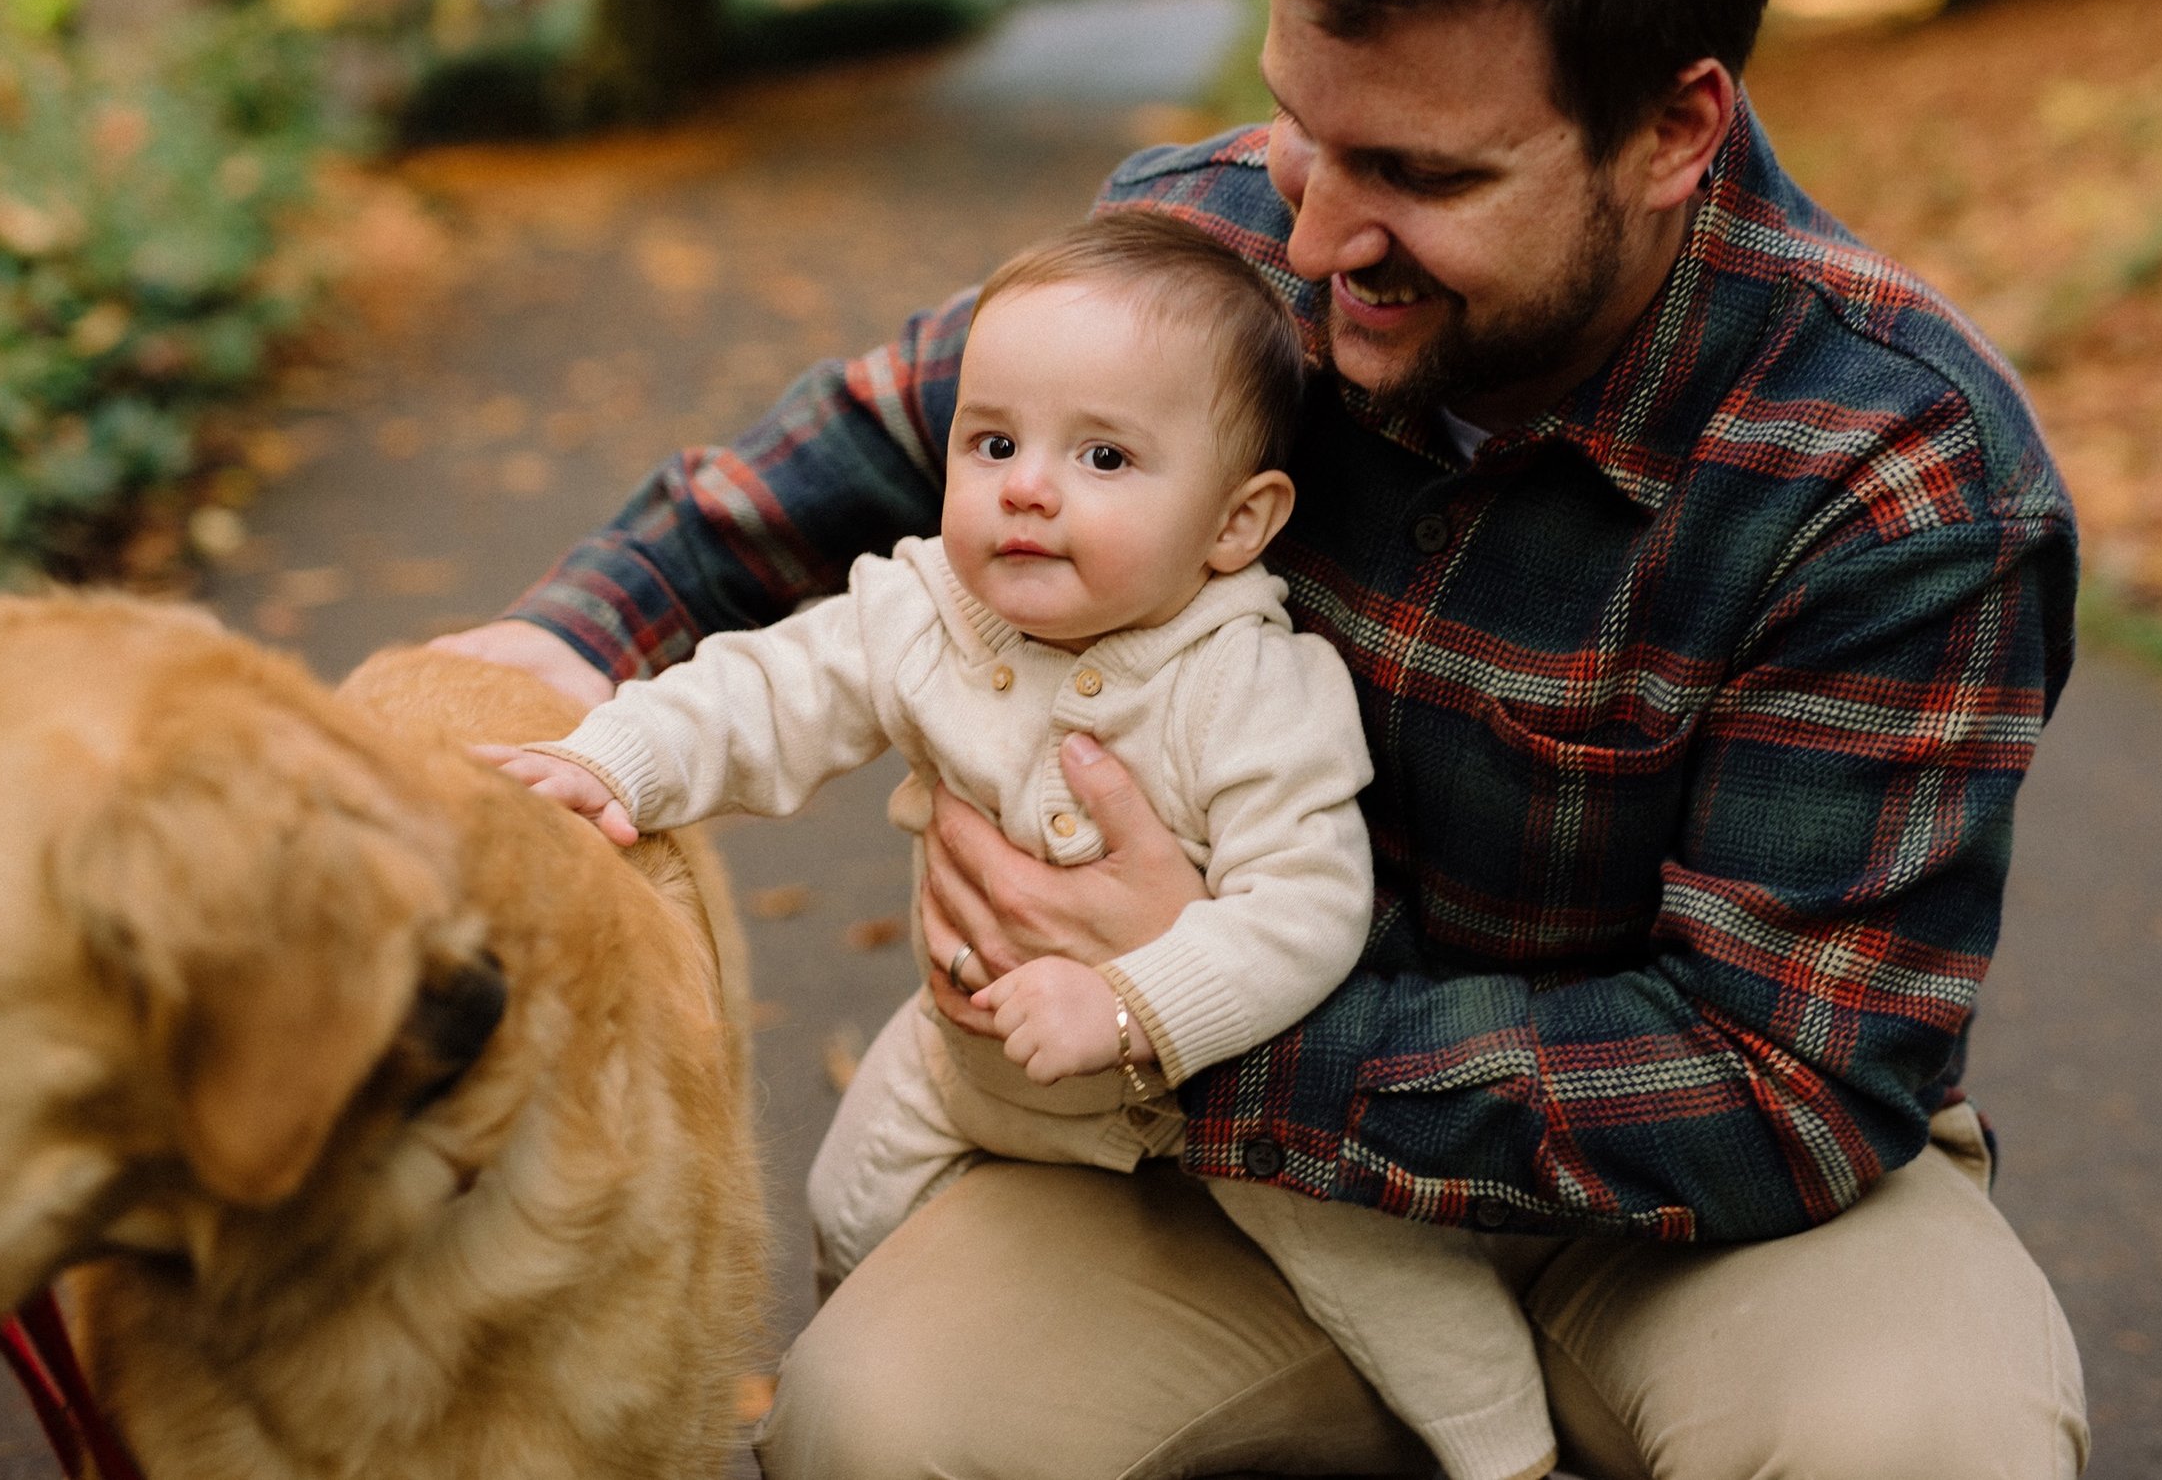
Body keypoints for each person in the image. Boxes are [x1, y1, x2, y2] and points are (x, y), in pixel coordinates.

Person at [436, 0, 2092, 1475]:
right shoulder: (1216, 239)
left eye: (1424, 177)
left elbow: (1776, 1082)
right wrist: (553, 661)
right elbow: (869, 452)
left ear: (1670, 128)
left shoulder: (1893, 473)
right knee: (881, 1426)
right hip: (1199, 1177)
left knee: (1923, 1442)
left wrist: (1185, 993)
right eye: (1306, 129)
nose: (1309, 246)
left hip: (1687, 1204)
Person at [485, 214, 1562, 1480]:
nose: (1028, 487)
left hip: (1231, 1097)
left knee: (1385, 1276)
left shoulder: (1254, 688)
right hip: (972, 1058)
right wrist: (618, 757)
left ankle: (1512, 1454)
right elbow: (765, 690)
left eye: (1103, 455)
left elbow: (1307, 905)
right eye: (992, 442)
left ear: (1235, 521)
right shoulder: (925, 611)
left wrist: (1129, 1000)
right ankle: (887, 1363)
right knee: (846, 1202)